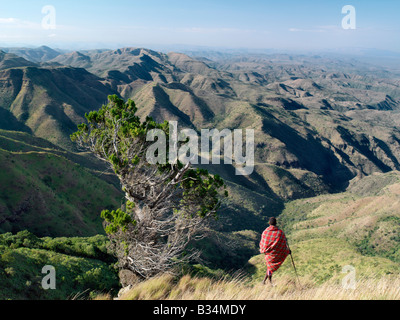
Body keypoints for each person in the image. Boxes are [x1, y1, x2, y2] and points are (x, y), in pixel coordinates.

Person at [259, 217, 291, 285]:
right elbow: (283, 244)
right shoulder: (280, 232)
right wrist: (287, 251)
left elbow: (263, 243)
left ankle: (265, 282)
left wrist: (265, 250)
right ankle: (268, 282)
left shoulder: (265, 232)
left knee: (269, 268)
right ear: (276, 223)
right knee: (269, 269)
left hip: (268, 254)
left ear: (269, 223)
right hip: (276, 254)